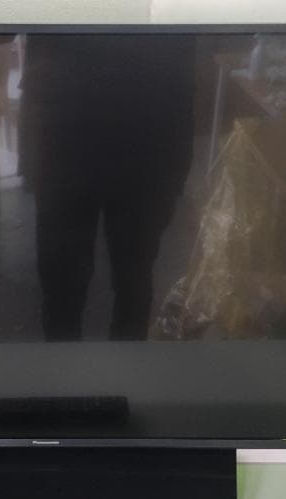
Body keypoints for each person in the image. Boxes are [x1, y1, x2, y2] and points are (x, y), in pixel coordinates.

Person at [15, 34, 197, 340]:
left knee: (132, 278)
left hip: (144, 122)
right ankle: (67, 367)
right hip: (74, 124)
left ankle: (110, 366)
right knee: (67, 283)